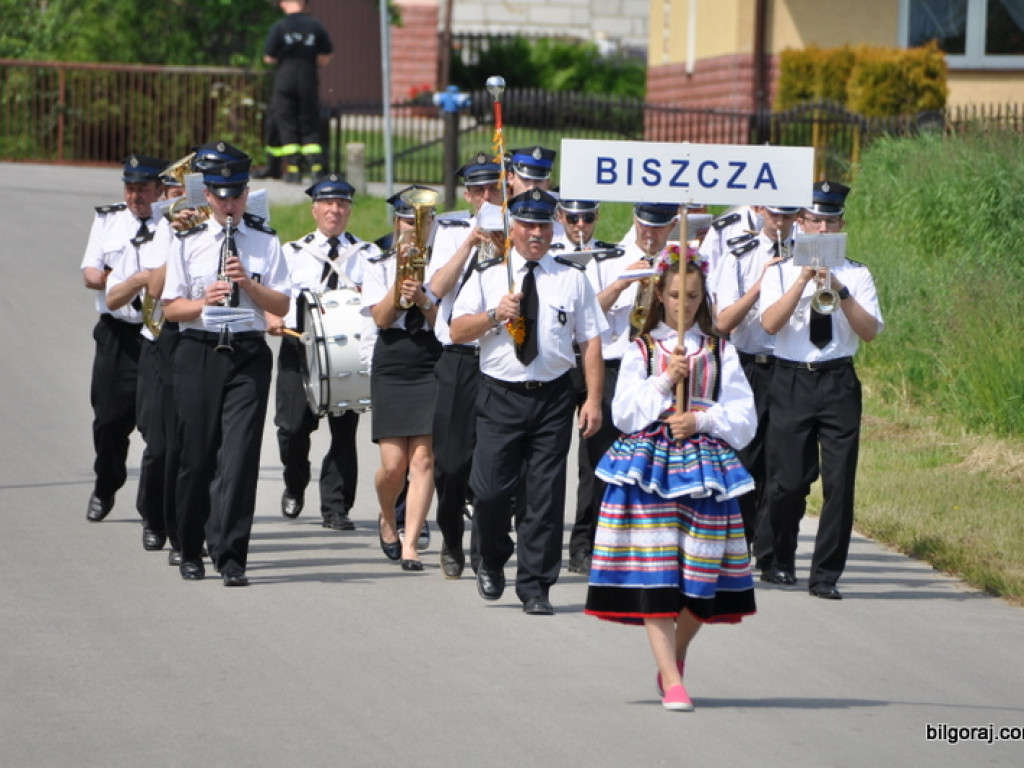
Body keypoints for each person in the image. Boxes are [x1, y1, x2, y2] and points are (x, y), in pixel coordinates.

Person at [585, 248, 757, 712]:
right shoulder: (641, 350)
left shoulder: (723, 350)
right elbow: (623, 416)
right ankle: (671, 678)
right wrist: (665, 381)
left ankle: (674, 658)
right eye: (676, 294)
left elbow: (745, 420)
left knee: (701, 575)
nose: (684, 304)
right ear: (660, 295)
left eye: (693, 296)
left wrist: (701, 420)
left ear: (704, 299)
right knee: (657, 571)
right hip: (649, 469)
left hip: (706, 471)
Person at [449, 189, 606, 615]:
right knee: (490, 491)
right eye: (527, 224)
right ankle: (493, 557)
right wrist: (492, 316)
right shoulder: (488, 275)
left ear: (553, 226)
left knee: (544, 496)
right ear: (512, 228)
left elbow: (590, 340)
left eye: (542, 224)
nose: (535, 233)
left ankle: (536, 585)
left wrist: (593, 398)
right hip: (500, 393)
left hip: (552, 395)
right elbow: (456, 331)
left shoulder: (571, 278)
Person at [162, 144, 291, 586]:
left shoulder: (265, 239)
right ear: (208, 195)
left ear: (246, 191)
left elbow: (282, 301)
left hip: (247, 354)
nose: (229, 204)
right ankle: (190, 546)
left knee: (239, 460)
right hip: (198, 350)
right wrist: (202, 302)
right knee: (197, 457)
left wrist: (249, 286)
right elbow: (170, 308)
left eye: (236, 195)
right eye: (220, 195)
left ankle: (232, 556)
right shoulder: (188, 240)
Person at [759, 181, 883, 600]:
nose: (822, 229)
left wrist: (839, 288)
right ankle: (779, 558)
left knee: (839, 482)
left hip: (837, 380)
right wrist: (801, 282)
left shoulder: (857, 272)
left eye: (830, 220)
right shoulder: (778, 269)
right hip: (791, 378)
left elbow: (868, 333)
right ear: (801, 223)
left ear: (841, 224)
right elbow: (769, 325)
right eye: (814, 220)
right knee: (787, 483)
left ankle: (826, 574)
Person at [270, 174, 374, 531]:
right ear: (314, 209)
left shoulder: (367, 255)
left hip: (346, 354)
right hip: (298, 347)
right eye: (328, 203)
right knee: (292, 429)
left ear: (349, 210)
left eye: (342, 203)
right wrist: (272, 317)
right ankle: (295, 482)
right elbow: (274, 296)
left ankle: (336, 507)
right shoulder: (292, 253)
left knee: (344, 433)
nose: (335, 209)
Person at [424, 153, 503, 578]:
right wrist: (471, 242)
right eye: (480, 190)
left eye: (495, 188)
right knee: (451, 463)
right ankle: (451, 539)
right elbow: (435, 289)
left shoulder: (520, 229)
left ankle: (486, 551)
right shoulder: (452, 230)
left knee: (494, 465)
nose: (488, 196)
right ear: (469, 194)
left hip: (501, 359)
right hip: (458, 359)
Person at [80, 153, 167, 524]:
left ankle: (153, 510)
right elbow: (90, 274)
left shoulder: (173, 224)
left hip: (159, 335)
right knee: (109, 420)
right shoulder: (108, 219)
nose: (135, 197)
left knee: (157, 427)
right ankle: (106, 483)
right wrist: (122, 280)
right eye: (130, 189)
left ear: (160, 190)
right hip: (118, 331)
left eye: (143, 190)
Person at [711, 203, 798, 566]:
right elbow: (722, 323)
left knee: (784, 466)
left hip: (791, 366)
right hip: (749, 365)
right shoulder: (739, 254)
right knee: (744, 459)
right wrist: (761, 287)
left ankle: (775, 554)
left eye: (789, 216)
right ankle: (740, 543)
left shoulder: (808, 254)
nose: (780, 223)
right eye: (775, 214)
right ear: (761, 210)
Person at [361, 186, 442, 571]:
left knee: (423, 459)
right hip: (392, 358)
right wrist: (401, 279)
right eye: (409, 220)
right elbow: (380, 317)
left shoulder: (442, 262)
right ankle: (386, 516)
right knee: (394, 465)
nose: (414, 228)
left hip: (429, 358)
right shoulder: (376, 259)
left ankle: (411, 543)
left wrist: (425, 296)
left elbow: (444, 324)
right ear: (396, 221)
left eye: (422, 221)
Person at [104, 163, 177, 554]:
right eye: (175, 192)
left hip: (205, 345)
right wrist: (148, 271)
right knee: (160, 443)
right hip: (160, 343)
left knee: (203, 444)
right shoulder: (152, 237)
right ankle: (154, 516)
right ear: (166, 196)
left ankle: (191, 523)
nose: (183, 201)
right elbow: (116, 295)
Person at [263, 0, 333, 184]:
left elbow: (268, 57)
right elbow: (326, 55)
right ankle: (317, 170)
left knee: (287, 122)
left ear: (288, 3)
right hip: (308, 79)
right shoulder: (316, 26)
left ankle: (294, 171)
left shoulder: (280, 27)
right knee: (309, 122)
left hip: (285, 79)